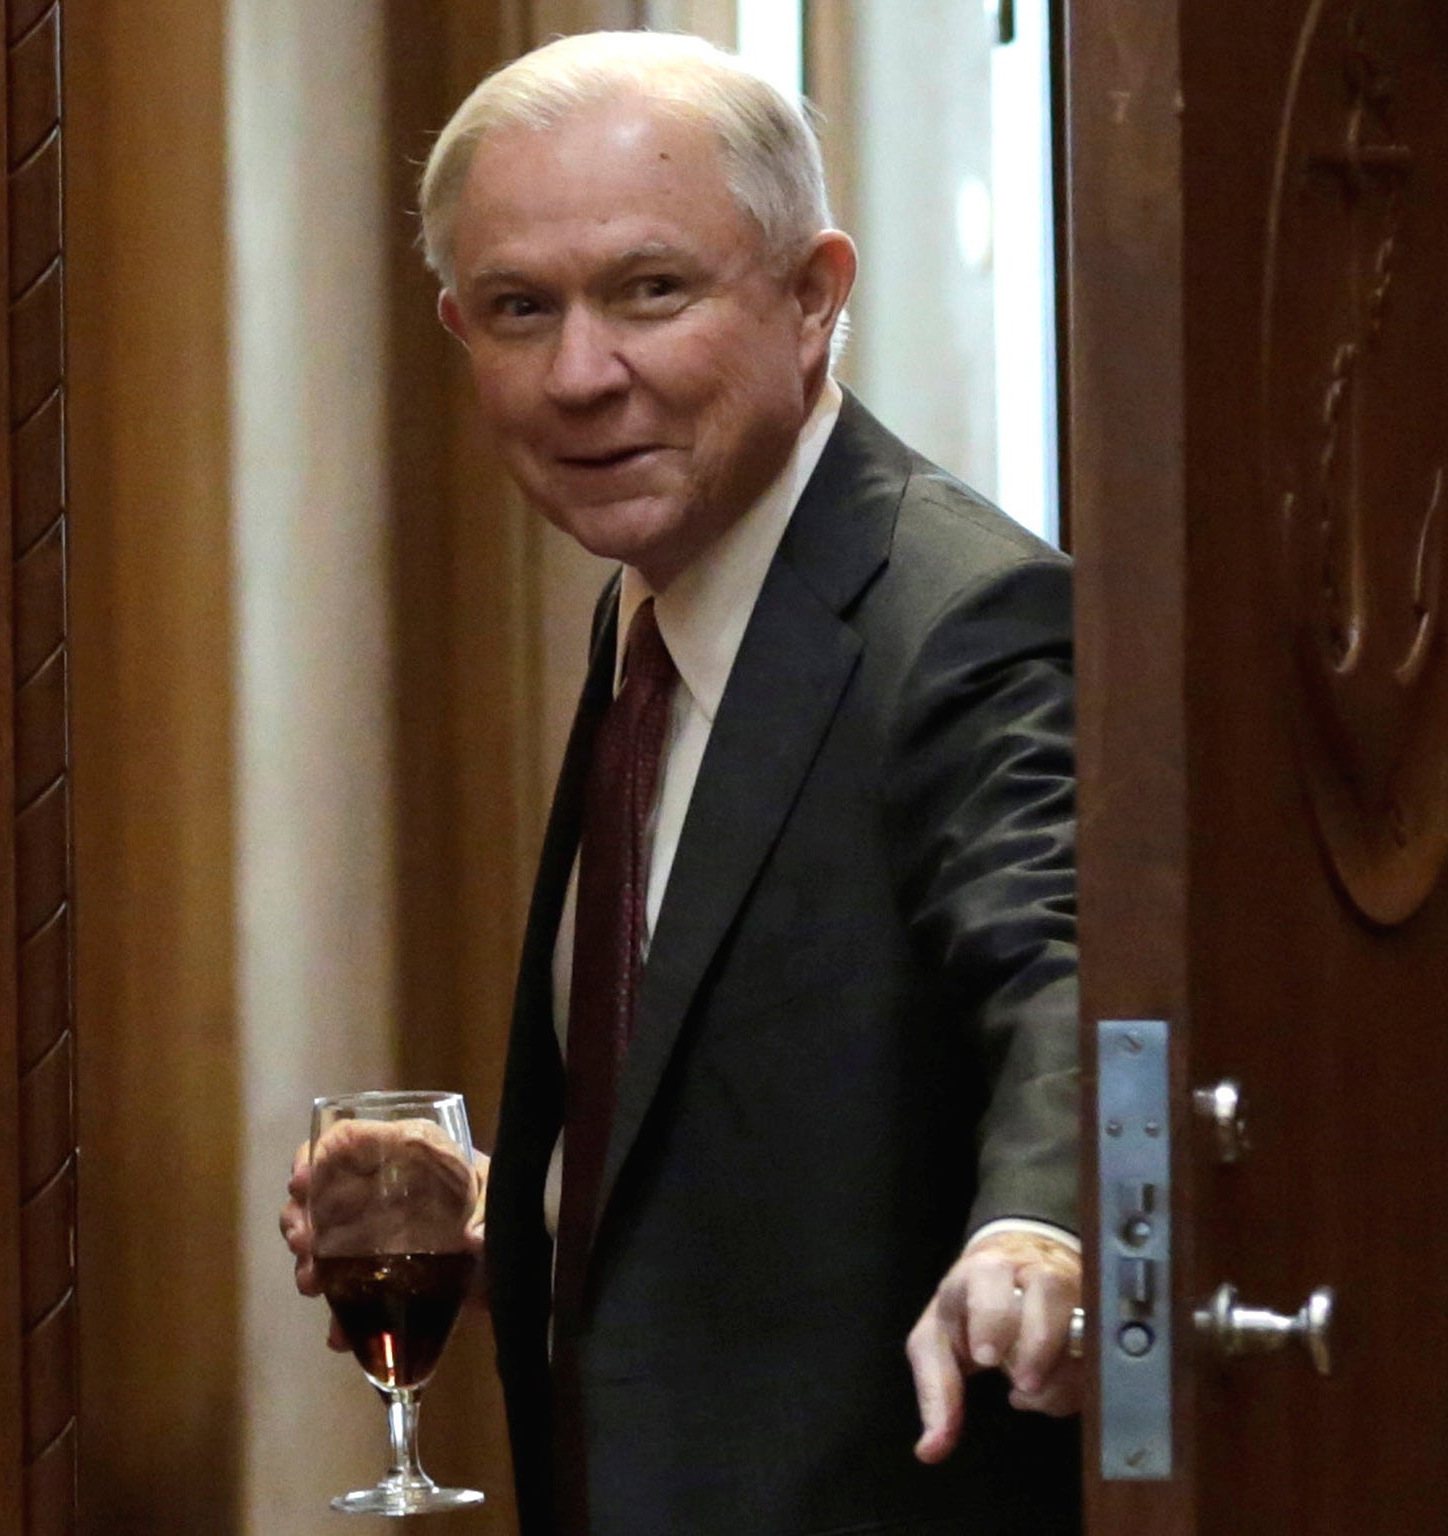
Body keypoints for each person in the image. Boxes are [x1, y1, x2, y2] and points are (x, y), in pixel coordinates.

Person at [282, 30, 1082, 1535]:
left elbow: (1066, 966)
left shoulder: (958, 614)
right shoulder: (656, 603)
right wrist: (514, 1194)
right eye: (522, 308)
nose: (584, 374)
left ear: (813, 297)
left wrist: (1042, 1226)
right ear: (459, 328)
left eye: (653, 291)